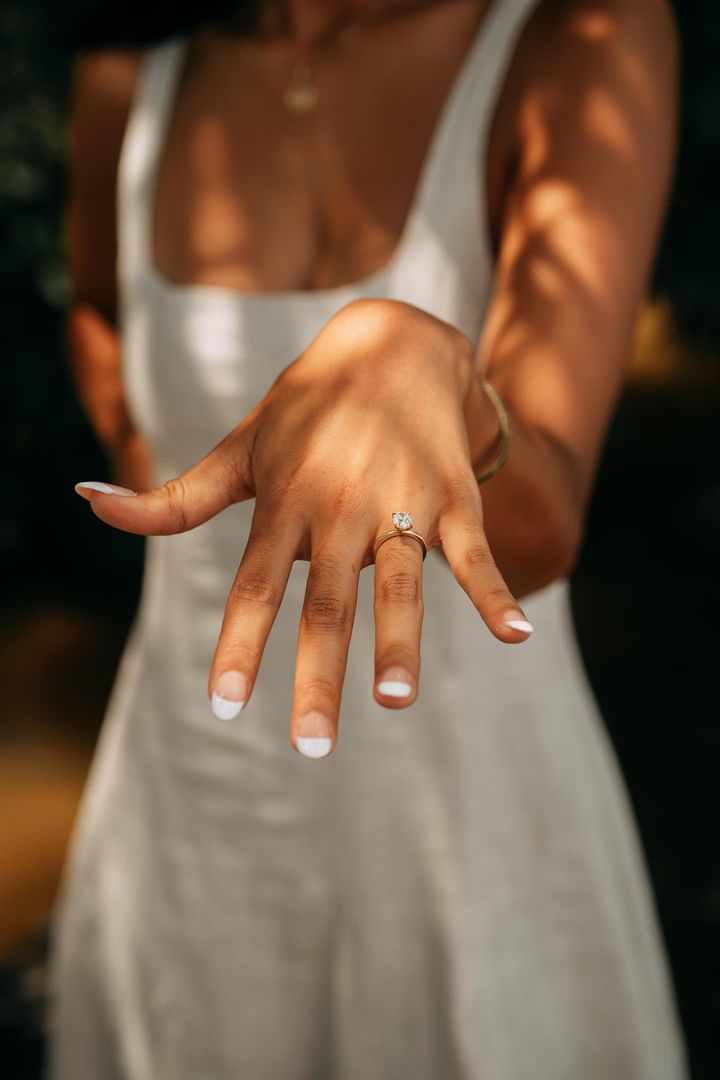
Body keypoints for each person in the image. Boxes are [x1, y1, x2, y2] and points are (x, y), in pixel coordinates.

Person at [48, 0, 688, 1076]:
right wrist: (154, 455)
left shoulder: (582, 35)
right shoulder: (132, 67)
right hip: (192, 796)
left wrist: (447, 383)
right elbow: (101, 304)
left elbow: (541, 533)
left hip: (469, 825)